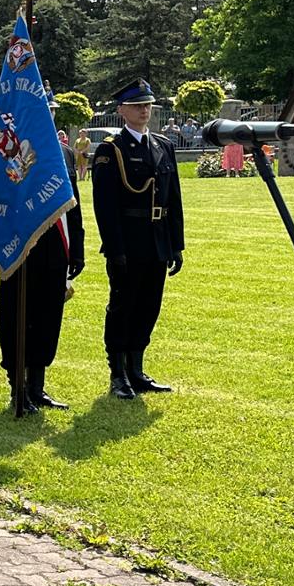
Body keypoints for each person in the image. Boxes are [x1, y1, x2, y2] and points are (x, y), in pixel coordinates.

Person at [92, 80, 182, 400]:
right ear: (121, 111)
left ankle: (137, 370)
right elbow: (105, 206)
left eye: (148, 105)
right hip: (128, 243)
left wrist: (176, 244)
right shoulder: (110, 150)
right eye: (137, 106)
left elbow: (173, 199)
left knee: (148, 307)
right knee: (123, 307)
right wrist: (114, 248)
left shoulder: (162, 145)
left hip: (157, 241)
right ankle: (118, 374)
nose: (144, 111)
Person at [0, 124, 86, 413]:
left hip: (55, 248)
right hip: (20, 249)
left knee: (49, 317)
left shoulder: (63, 152)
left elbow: (73, 203)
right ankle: (17, 387)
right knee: (17, 317)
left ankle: (37, 387)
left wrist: (77, 250)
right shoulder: (10, 149)